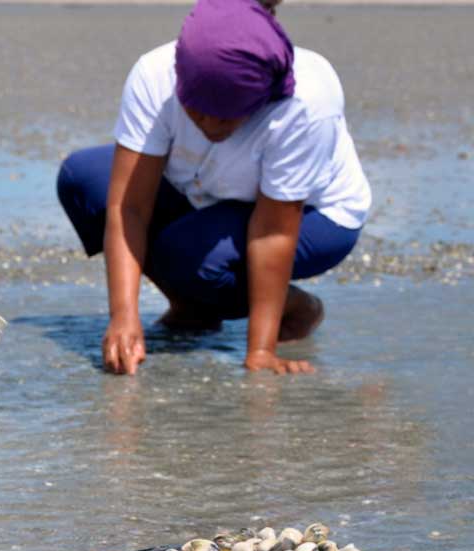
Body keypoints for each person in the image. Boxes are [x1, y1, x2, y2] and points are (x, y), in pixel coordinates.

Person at [56, 0, 370, 376]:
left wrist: (261, 351)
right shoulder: (155, 75)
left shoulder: (306, 102)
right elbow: (130, 207)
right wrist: (123, 317)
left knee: (189, 257)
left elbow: (272, 232)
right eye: (196, 109)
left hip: (313, 216)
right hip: (209, 190)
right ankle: (193, 310)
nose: (210, 124)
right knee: (85, 179)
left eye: (228, 114)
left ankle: (295, 307)